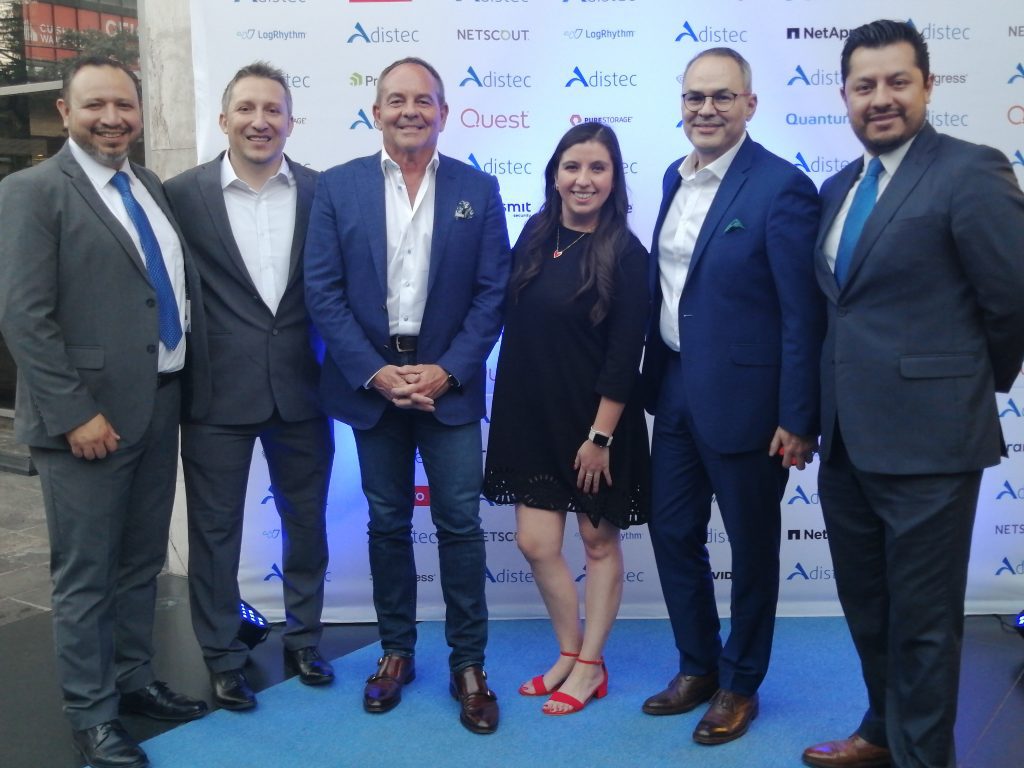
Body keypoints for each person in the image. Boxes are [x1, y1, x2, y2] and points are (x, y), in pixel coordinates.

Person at [801, 20, 1024, 768]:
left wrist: (959, 386)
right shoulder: (838, 188)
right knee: (868, 607)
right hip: (847, 442)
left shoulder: (971, 170)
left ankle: (925, 758)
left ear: (927, 85)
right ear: (845, 96)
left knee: (925, 624)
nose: (881, 98)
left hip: (932, 443)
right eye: (864, 85)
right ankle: (882, 732)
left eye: (897, 81)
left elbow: (1011, 300)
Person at [0, 57, 209, 768]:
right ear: (65, 112)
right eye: (95, 105)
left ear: (141, 114)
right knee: (87, 574)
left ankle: (132, 679)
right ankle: (91, 716)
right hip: (86, 422)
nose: (112, 118)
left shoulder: (147, 185)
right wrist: (73, 413)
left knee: (140, 561)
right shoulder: (31, 191)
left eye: (125, 105)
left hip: (158, 404)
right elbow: (24, 317)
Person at [304, 57, 510, 735]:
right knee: (387, 523)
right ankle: (396, 651)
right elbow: (323, 292)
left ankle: (469, 664)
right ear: (376, 112)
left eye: (424, 100)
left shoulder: (478, 189)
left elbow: (492, 293)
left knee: (460, 526)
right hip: (374, 387)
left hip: (448, 385)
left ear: (444, 112)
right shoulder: (337, 188)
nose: (410, 111)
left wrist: (447, 370)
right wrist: (375, 372)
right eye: (396, 100)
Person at [640, 47, 823, 745]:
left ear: (750, 103)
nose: (706, 109)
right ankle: (699, 665)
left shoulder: (782, 187)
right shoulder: (673, 176)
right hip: (675, 387)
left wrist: (797, 416)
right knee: (671, 531)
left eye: (721, 96)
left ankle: (741, 684)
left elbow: (801, 313)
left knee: (750, 549)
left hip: (750, 403)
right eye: (695, 97)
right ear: (681, 105)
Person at [164, 61, 335, 712]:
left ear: (291, 121)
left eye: (272, 110)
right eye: (246, 109)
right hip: (215, 395)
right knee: (214, 534)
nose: (259, 121)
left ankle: (305, 639)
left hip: (304, 389)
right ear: (224, 119)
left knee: (307, 524)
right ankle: (222, 656)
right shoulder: (181, 195)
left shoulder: (322, 192)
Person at [483, 123, 650, 715]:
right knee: (535, 542)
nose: (583, 179)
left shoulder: (626, 254)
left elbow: (625, 356)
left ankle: (591, 664)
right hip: (531, 415)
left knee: (597, 542)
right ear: (554, 174)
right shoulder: (536, 233)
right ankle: (570, 651)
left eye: (597, 168)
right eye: (572, 166)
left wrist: (599, 437)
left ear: (614, 179)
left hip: (594, 424)